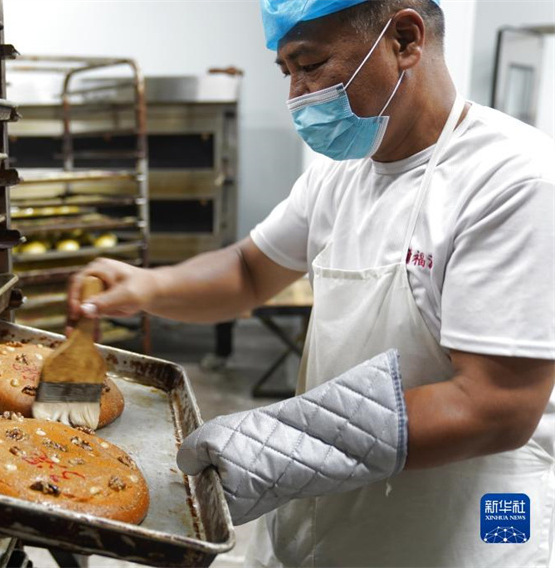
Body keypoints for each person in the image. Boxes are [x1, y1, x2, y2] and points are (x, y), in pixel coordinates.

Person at [66, 0, 555, 566]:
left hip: (448, 521)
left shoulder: (514, 182)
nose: (296, 96)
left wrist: (287, 443)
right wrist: (146, 286)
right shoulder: (344, 173)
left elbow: (495, 405)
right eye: (286, 72)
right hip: (333, 506)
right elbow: (249, 271)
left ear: (404, 39)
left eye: (312, 64)